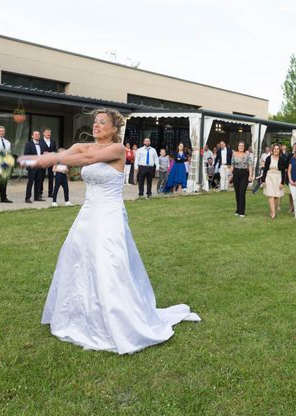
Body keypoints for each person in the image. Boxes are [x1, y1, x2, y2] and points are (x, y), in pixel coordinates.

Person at [18, 108, 200, 353]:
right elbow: (72, 153)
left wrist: (51, 159)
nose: (96, 125)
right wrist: (40, 158)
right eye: (95, 121)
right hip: (88, 215)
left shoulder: (116, 150)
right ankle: (80, 316)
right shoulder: (84, 146)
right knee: (78, 260)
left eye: (102, 122)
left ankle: (117, 321)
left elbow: (86, 161)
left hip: (110, 214)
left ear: (114, 129)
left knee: (108, 264)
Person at [261, 143, 286, 219]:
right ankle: (273, 213)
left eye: (277, 149)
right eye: (274, 149)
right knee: (270, 195)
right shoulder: (268, 158)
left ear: (280, 150)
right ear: (272, 150)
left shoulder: (282, 159)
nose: (276, 150)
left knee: (276, 196)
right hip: (269, 177)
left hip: (278, 178)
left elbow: (283, 172)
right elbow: (265, 170)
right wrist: (263, 181)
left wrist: (282, 183)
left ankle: (273, 210)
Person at [229, 140, 254, 217]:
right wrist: (230, 174)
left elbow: (250, 165)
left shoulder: (248, 155)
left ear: (244, 147)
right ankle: (238, 210)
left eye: (242, 146)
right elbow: (232, 165)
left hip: (244, 174)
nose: (241, 147)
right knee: (237, 193)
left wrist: (250, 175)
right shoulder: (234, 154)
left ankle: (242, 211)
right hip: (236, 173)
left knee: (242, 193)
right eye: (240, 146)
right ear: (237, 146)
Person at [24, 130, 45, 203]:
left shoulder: (41, 144)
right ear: (32, 136)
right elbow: (26, 155)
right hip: (32, 166)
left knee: (38, 182)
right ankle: (27, 198)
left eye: (38, 134)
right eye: (35, 134)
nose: (37, 136)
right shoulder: (29, 144)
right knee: (30, 182)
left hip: (39, 166)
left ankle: (37, 197)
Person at [40, 128, 58, 198]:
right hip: (43, 161)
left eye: (50, 132)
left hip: (51, 161)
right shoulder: (40, 141)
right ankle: (40, 193)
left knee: (51, 178)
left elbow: (55, 151)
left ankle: (50, 193)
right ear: (44, 133)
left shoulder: (53, 141)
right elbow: (38, 151)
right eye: (47, 132)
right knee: (41, 177)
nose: (49, 134)